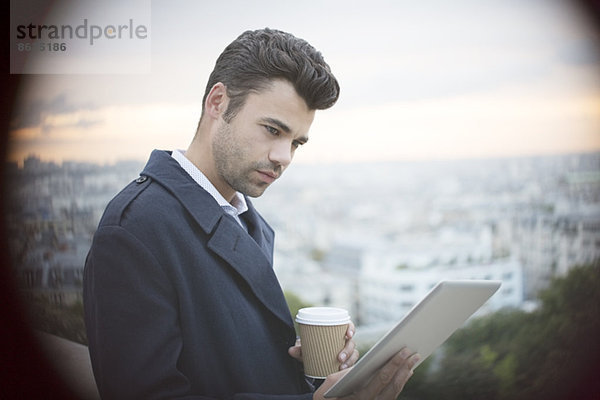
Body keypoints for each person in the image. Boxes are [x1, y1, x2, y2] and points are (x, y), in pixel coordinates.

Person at [83, 28, 420, 400]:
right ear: (218, 103)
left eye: (295, 142)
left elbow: (228, 358)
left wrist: (306, 366)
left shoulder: (246, 220)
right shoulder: (135, 229)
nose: (284, 157)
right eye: (273, 130)